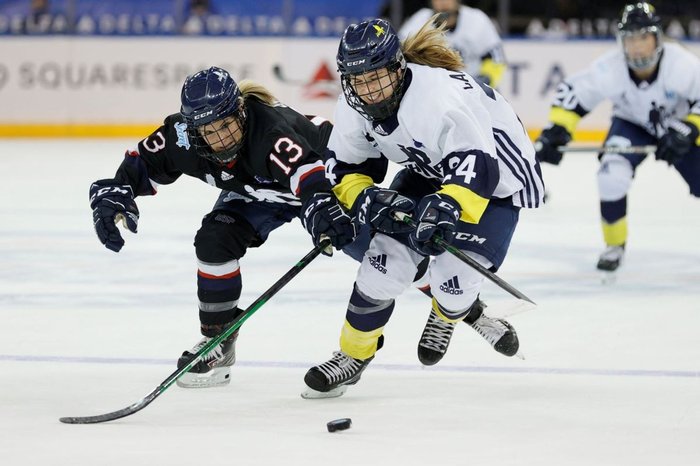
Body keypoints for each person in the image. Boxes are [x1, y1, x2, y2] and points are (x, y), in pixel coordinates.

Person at [302, 17, 543, 398]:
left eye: (376, 77)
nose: (368, 90)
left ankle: (451, 310)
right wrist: (365, 197)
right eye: (358, 80)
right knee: (383, 264)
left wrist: (446, 205)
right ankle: (352, 356)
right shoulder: (353, 103)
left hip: (496, 180)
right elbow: (347, 166)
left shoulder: (437, 98)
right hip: (430, 170)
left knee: (453, 282)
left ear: (398, 67)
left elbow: (479, 166)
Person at [89, 66, 355, 388]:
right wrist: (117, 194)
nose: (220, 138)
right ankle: (217, 343)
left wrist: (323, 207)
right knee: (215, 240)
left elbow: (307, 175)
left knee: (382, 253)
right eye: (209, 131)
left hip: (331, 177)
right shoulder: (182, 137)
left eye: (226, 125)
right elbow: (141, 162)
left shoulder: (270, 133)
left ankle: (435, 291)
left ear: (240, 111)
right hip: (259, 191)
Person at [534, 2, 700, 272]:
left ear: (657, 37)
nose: (636, 46)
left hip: (678, 127)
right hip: (631, 124)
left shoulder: (682, 64)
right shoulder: (609, 67)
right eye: (630, 38)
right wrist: (558, 129)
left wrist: (689, 127)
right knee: (611, 175)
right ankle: (614, 246)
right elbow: (573, 95)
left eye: (643, 37)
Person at [398, 0, 507, 88]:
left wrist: (484, 80)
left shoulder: (477, 20)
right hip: (435, 92)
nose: (443, 2)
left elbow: (496, 59)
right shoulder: (418, 22)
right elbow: (400, 56)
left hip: (475, 89)